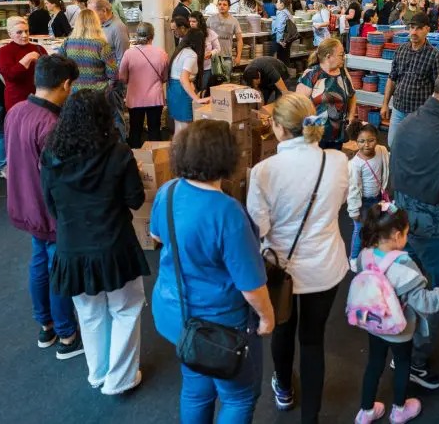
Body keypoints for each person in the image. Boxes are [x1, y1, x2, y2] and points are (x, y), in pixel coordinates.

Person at [150, 120, 275, 422]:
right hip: (220, 325)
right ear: (227, 157)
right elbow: (250, 286)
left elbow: (156, 236)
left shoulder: (167, 191)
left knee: (196, 387)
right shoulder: (227, 211)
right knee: (240, 397)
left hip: (174, 313)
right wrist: (268, 317)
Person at [247, 92, 349, 422]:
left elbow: (259, 227)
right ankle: (311, 416)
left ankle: (283, 390)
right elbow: (341, 205)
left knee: (282, 330)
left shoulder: (263, 171)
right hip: (325, 267)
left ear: (277, 128)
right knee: (313, 339)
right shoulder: (338, 162)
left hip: (280, 270)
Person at [41, 89, 150, 395]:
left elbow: (50, 204)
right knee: (125, 308)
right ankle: (121, 378)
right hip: (114, 244)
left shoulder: (51, 154)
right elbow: (135, 199)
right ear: (104, 116)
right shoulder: (118, 153)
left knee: (89, 314)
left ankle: (98, 373)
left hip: (71, 248)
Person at [389, 67, 439, 389]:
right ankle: (416, 361)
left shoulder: (406, 122)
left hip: (402, 226)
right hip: (436, 231)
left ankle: (399, 348)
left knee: (405, 288)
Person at [353, 204, 439, 424]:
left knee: (374, 364)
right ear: (396, 235)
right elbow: (425, 302)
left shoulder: (365, 255)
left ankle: (366, 411)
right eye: (406, 234)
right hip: (399, 328)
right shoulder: (405, 266)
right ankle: (399, 410)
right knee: (402, 364)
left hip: (372, 322)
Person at [5, 54, 82, 356]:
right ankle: (66, 335)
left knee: (39, 263)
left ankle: (46, 325)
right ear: (65, 84)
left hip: (23, 204)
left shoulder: (16, 111)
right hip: (48, 211)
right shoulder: (52, 123)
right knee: (58, 268)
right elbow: (61, 177)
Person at [380, 14, 439, 147]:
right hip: (398, 110)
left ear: (427, 29)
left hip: (420, 115)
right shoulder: (401, 50)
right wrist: (385, 104)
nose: (413, 32)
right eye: (411, 27)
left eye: (418, 28)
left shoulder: (435, 56)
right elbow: (392, 78)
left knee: (415, 149)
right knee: (393, 145)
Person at [296, 38, 357, 150]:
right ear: (329, 57)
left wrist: (351, 116)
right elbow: (298, 105)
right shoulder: (312, 74)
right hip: (316, 135)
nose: (344, 58)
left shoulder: (343, 72)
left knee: (332, 164)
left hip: (337, 134)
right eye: (341, 55)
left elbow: (352, 95)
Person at [119, 22, 169, 148]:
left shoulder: (129, 54)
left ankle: (136, 159)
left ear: (137, 35)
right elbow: (165, 77)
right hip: (155, 98)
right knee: (154, 129)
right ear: (152, 36)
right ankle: (156, 159)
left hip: (135, 98)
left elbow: (122, 77)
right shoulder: (161, 53)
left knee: (135, 130)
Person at [347, 123, 390, 264]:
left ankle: (373, 253)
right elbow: (353, 188)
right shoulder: (355, 164)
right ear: (356, 141)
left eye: (371, 140)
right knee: (359, 230)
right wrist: (354, 210)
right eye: (361, 141)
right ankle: (353, 258)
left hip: (378, 197)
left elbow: (386, 165)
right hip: (363, 202)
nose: (366, 145)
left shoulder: (382, 150)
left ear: (377, 139)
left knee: (377, 226)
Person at [58, 9, 117, 93]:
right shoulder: (101, 45)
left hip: (73, 92)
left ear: (77, 23)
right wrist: (108, 88)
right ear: (96, 23)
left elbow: (58, 65)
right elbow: (113, 72)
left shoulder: (67, 43)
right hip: (98, 93)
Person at [0, 16, 48, 111]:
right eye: (19, 32)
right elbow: (10, 75)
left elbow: (49, 73)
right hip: (16, 100)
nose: (24, 35)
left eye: (27, 31)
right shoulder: (5, 51)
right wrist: (27, 59)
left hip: (39, 98)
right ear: (10, 34)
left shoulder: (39, 48)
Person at [168, 29, 209, 132]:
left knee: (179, 127)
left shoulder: (180, 50)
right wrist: (197, 99)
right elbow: (183, 78)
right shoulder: (191, 54)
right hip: (182, 91)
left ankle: (177, 148)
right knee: (186, 129)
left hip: (173, 89)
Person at [89, 0, 129, 67]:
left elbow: (122, 60)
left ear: (104, 11)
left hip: (111, 76)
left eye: (93, 13)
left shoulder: (118, 28)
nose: (90, 17)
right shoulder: (100, 25)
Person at [207, 0, 244, 68]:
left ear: (229, 7)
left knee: (226, 79)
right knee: (212, 78)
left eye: (224, 4)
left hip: (227, 56)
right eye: (219, 4)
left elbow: (239, 40)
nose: (221, 6)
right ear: (217, 6)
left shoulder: (234, 21)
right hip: (212, 56)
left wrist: (238, 56)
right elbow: (204, 37)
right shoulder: (210, 19)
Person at [189, 11, 221, 89]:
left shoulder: (209, 33)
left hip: (206, 68)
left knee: (203, 89)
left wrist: (210, 53)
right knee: (192, 91)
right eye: (190, 21)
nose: (191, 24)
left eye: (194, 21)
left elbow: (218, 48)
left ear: (200, 22)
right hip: (191, 68)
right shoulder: (188, 33)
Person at [271, 0, 295, 64]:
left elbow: (280, 27)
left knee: (281, 60)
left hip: (282, 39)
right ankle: (286, 73)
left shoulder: (281, 13)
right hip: (288, 37)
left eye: (277, 2)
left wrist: (279, 40)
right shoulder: (287, 12)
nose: (276, 4)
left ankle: (283, 74)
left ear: (282, 4)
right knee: (286, 58)